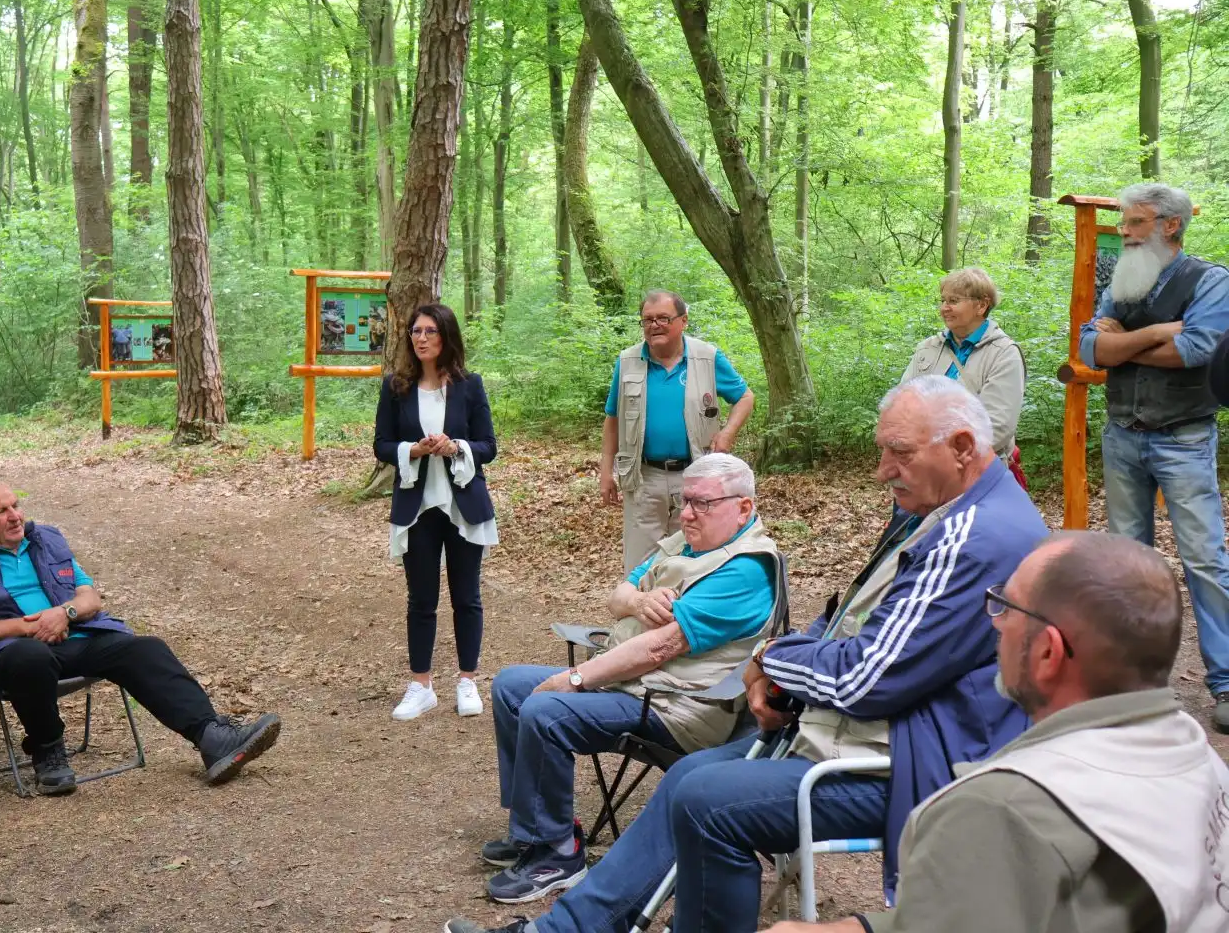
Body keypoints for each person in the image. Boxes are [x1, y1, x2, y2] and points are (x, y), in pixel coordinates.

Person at [445, 376, 1046, 933]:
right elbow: (846, 620)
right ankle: (562, 927)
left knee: (705, 799)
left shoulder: (971, 536)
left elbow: (865, 677)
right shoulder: (940, 513)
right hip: (854, 732)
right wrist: (782, 655)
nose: (882, 470)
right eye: (882, 450)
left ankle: (560, 862)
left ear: (961, 447)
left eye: (900, 453)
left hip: (914, 762)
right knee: (689, 779)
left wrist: (770, 660)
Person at [765, 531, 1229, 933]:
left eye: (1005, 607)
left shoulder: (1002, 807)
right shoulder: (1193, 752)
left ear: (1047, 653)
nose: (995, 623)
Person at [483, 453, 783, 904]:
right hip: (637, 684)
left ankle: (557, 855)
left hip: (681, 707)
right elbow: (619, 594)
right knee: (510, 685)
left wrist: (576, 679)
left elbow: (661, 647)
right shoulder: (690, 543)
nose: (687, 513)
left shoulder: (745, 570)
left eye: (702, 503)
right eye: (685, 501)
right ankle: (534, 830)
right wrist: (638, 602)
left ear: (743, 508)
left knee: (546, 710)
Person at [0, 482, 281, 793]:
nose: (15, 516)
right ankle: (47, 750)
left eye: (16, 505)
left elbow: (90, 598)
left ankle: (212, 737)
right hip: (13, 654)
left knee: (145, 649)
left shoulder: (47, 540)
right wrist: (28, 627)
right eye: (1, 511)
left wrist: (64, 613)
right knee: (29, 657)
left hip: (76, 638)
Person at [1079, 182, 1229, 734]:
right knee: (1127, 561)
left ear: (1171, 225)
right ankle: (1134, 683)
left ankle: (1227, 682)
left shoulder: (1210, 280)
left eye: (1135, 222)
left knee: (1204, 560)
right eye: (1124, 222)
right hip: (1122, 435)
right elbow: (1091, 347)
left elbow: (1196, 350)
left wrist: (1126, 341)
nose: (1124, 231)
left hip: (1184, 438)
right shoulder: (1123, 281)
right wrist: (1159, 331)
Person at [373, 302, 498, 721]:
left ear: (446, 336)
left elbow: (488, 446)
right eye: (416, 331)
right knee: (421, 599)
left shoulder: (469, 386)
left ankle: (467, 681)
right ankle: (421, 685)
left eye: (430, 331)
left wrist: (456, 446)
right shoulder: (396, 387)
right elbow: (381, 445)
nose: (421, 338)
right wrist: (413, 449)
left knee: (467, 597)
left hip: (463, 505)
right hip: (417, 505)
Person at [601, 290, 756, 573]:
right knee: (639, 565)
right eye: (648, 320)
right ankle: (642, 601)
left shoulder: (707, 358)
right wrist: (605, 471)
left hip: (696, 476)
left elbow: (745, 397)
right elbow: (613, 418)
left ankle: (685, 603)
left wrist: (728, 433)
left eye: (663, 318)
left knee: (694, 558)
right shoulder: (627, 361)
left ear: (683, 321)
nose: (654, 325)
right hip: (643, 476)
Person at [901, 266, 1027, 486]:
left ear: (981, 305)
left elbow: (996, 427)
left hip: (975, 477)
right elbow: (901, 404)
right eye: (943, 300)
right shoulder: (928, 348)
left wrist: (941, 458)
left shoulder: (1004, 354)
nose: (944, 308)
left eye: (953, 300)